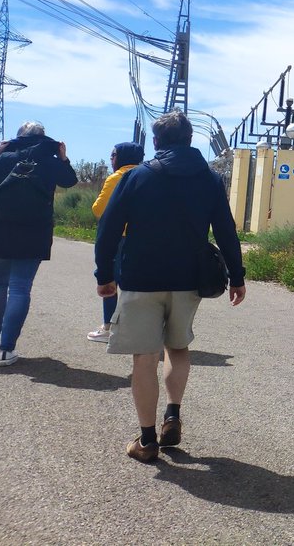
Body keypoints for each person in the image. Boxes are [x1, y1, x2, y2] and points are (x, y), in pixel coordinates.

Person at [93, 111, 246, 462]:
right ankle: (173, 415)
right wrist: (236, 276)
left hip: (141, 279)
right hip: (187, 279)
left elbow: (109, 229)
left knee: (144, 357)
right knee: (177, 348)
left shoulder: (137, 177)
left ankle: (147, 441)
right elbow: (226, 230)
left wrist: (105, 275)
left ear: (157, 141)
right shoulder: (209, 180)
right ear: (190, 140)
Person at [0, 121, 78, 367]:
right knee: (20, 288)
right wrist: (63, 158)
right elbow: (69, 181)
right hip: (34, 232)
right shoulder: (51, 162)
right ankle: (7, 350)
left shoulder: (3, 159)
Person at [88, 141, 145, 343]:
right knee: (135, 285)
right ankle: (138, 329)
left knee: (110, 281)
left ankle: (109, 327)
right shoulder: (148, 175)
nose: (111, 159)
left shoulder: (116, 177)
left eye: (113, 155)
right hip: (143, 238)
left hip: (119, 236)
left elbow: (98, 209)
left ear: (121, 157)